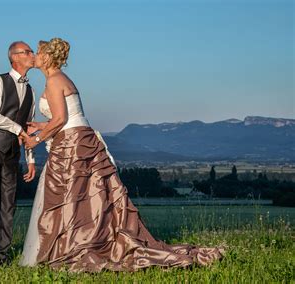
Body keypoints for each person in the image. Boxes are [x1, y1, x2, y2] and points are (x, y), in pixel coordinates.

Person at [19, 38, 224, 272]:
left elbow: (60, 120)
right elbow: (64, 117)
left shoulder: (54, 81)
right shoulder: (59, 79)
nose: (34, 55)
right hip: (78, 137)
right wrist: (40, 126)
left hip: (72, 143)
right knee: (82, 196)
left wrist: (35, 139)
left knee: (72, 196)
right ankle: (81, 238)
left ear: (47, 57)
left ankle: (75, 244)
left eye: (38, 52)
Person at [0, 41, 36, 268]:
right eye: (28, 52)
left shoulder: (31, 90)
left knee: (8, 205)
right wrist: (17, 128)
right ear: (15, 57)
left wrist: (30, 159)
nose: (32, 55)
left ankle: (3, 257)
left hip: (13, 153)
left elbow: (28, 127)